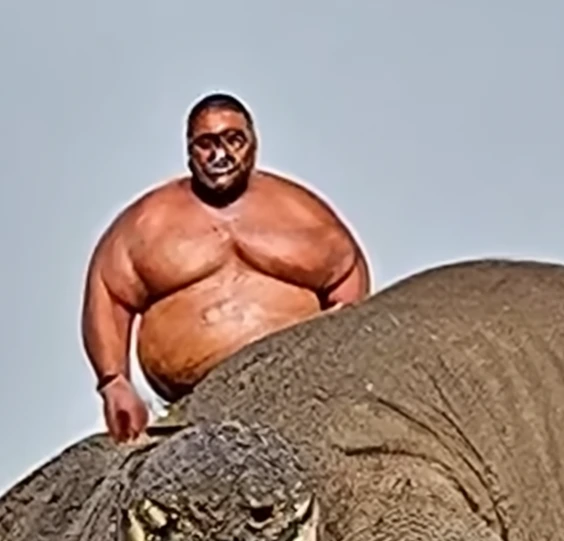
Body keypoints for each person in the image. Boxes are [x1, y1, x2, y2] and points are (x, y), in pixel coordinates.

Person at [81, 93, 372, 442]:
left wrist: (341, 353)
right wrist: (114, 382)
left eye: (233, 140)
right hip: (189, 408)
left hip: (298, 395)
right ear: (189, 152)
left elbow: (346, 276)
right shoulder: (147, 224)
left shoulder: (301, 212)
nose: (220, 155)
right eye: (206, 144)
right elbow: (108, 292)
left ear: (253, 143)